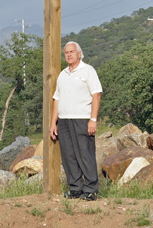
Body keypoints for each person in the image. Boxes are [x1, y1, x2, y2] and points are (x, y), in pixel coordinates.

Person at [49, 41, 102, 201]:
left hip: (82, 119)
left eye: (72, 51)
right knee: (68, 156)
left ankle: (91, 189)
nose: (69, 54)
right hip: (64, 121)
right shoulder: (63, 74)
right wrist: (53, 123)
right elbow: (56, 99)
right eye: (66, 52)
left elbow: (96, 95)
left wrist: (93, 119)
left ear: (79, 53)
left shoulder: (88, 71)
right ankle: (75, 189)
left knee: (85, 154)